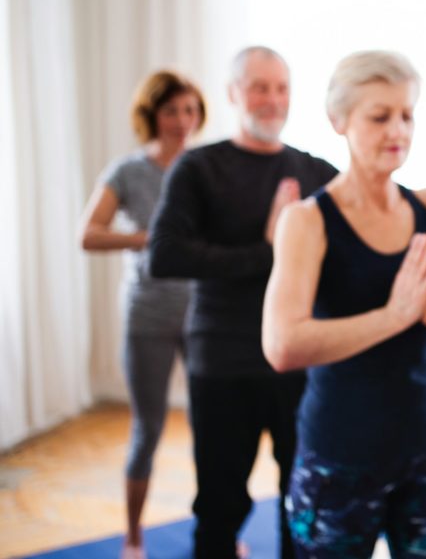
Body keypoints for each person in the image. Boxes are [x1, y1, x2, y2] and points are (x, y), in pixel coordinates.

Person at [261, 50, 426, 559]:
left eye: (407, 115)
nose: (398, 129)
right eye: (380, 116)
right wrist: (393, 317)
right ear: (339, 120)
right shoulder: (307, 221)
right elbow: (283, 344)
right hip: (339, 457)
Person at [148, 46, 338, 559]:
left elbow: (355, 244)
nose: (272, 100)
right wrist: (269, 250)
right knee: (219, 504)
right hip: (223, 360)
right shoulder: (198, 167)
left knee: (303, 501)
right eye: (260, 87)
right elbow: (163, 254)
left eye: (282, 88)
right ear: (234, 93)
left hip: (298, 360)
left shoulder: (314, 170)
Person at [79, 70, 206, 559]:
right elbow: (88, 234)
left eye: (190, 111)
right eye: (172, 110)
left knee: (213, 428)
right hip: (148, 313)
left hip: (203, 316)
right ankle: (133, 538)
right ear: (153, 114)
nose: (182, 121)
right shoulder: (127, 171)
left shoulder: (205, 167)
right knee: (148, 428)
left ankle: (215, 529)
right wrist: (148, 239)